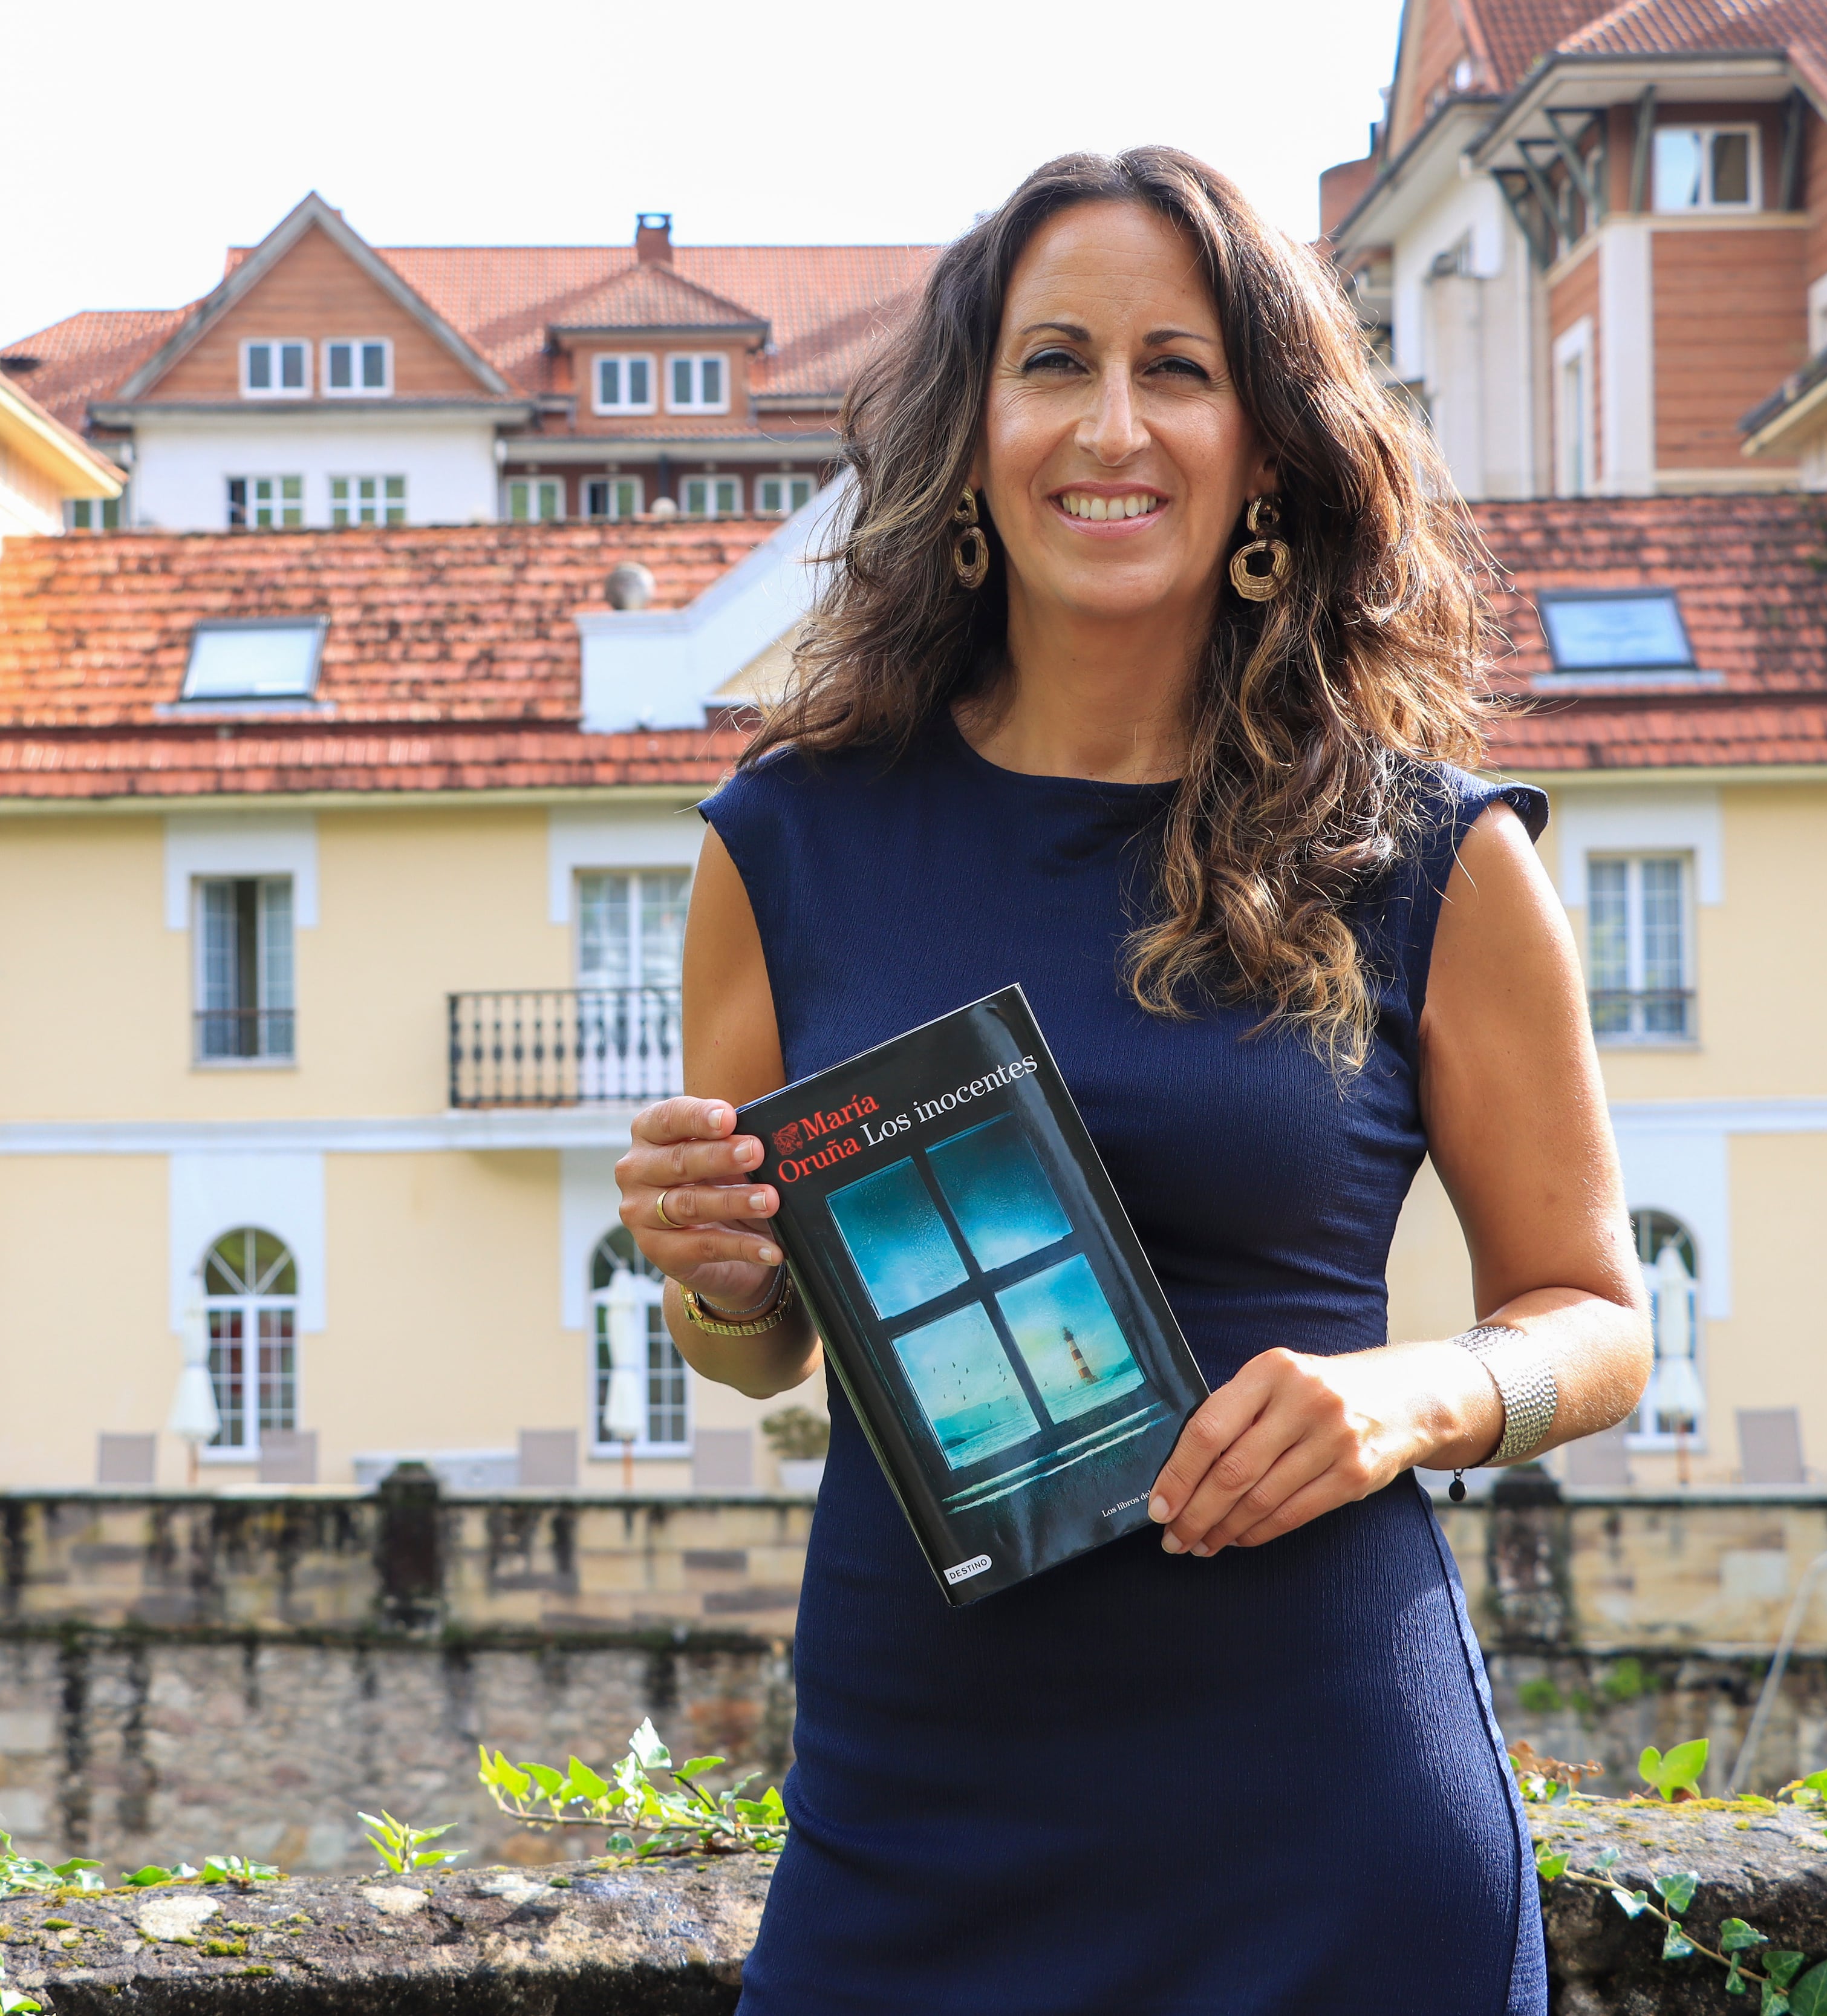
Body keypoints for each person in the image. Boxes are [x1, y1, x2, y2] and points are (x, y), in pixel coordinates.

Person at [615, 148, 1650, 2014]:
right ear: (974, 432)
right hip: (916, 1824)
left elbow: (1596, 1320)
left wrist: (1410, 1397)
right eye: (1056, 363)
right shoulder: (782, 844)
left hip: (1330, 1823)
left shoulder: (1432, 856)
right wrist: (715, 1274)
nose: (1115, 425)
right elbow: (763, 1345)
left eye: (1179, 368)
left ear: (1267, 448)